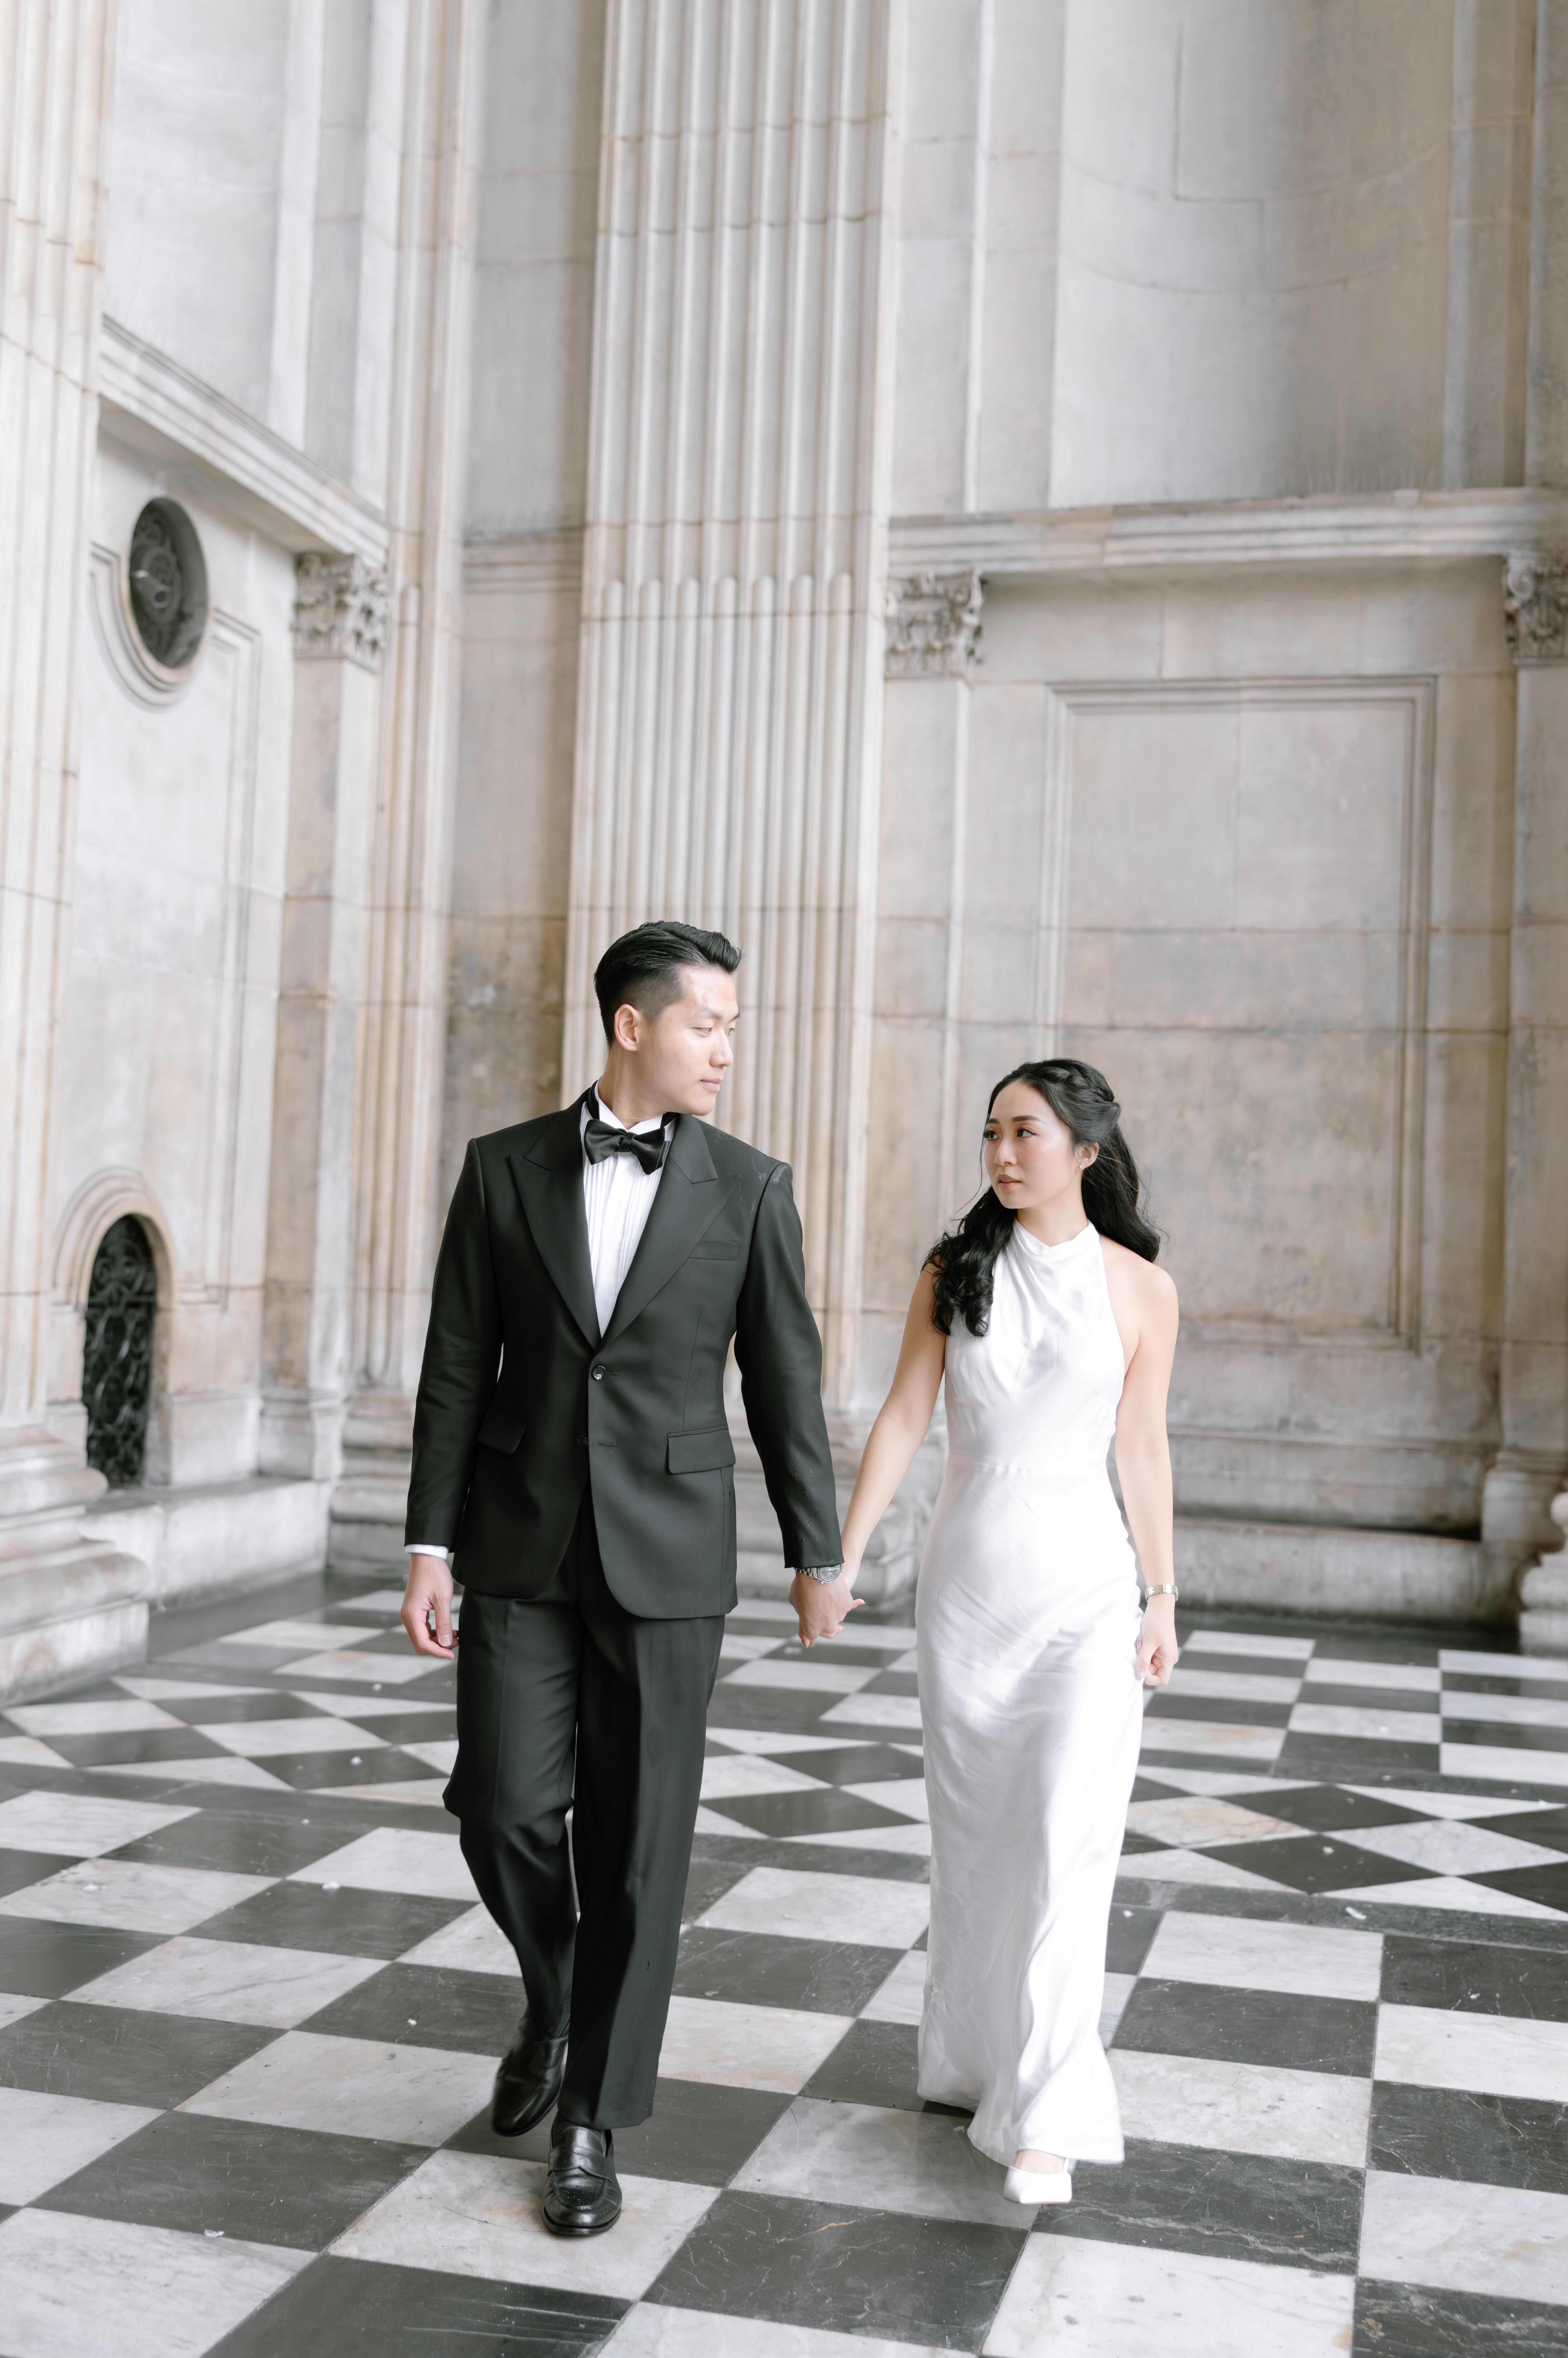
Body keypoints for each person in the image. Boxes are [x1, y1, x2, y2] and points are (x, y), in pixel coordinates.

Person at [399, 922, 848, 2237]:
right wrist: (429, 1538)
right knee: (499, 1803)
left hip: (672, 1553)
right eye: (708, 1022)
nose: (725, 1047)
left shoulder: (751, 1187)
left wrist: (815, 1549)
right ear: (633, 1025)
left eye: (732, 1026)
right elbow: (452, 1367)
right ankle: (560, 1983)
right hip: (519, 1540)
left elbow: (786, 1384)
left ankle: (591, 2118)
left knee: (643, 1847)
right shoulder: (501, 1170)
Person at [833, 1059, 1178, 2206]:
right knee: (979, 1841)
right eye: (991, 1133)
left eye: (1026, 1133)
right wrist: (840, 1555)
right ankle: (976, 2062)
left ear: (1087, 1150)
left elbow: (1142, 1449)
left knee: (1069, 1840)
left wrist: (1163, 1594)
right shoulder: (956, 1269)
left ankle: (1050, 2114)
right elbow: (903, 1416)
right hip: (969, 1597)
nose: (1002, 1154)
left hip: (1087, 1595)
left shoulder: (1140, 1290)